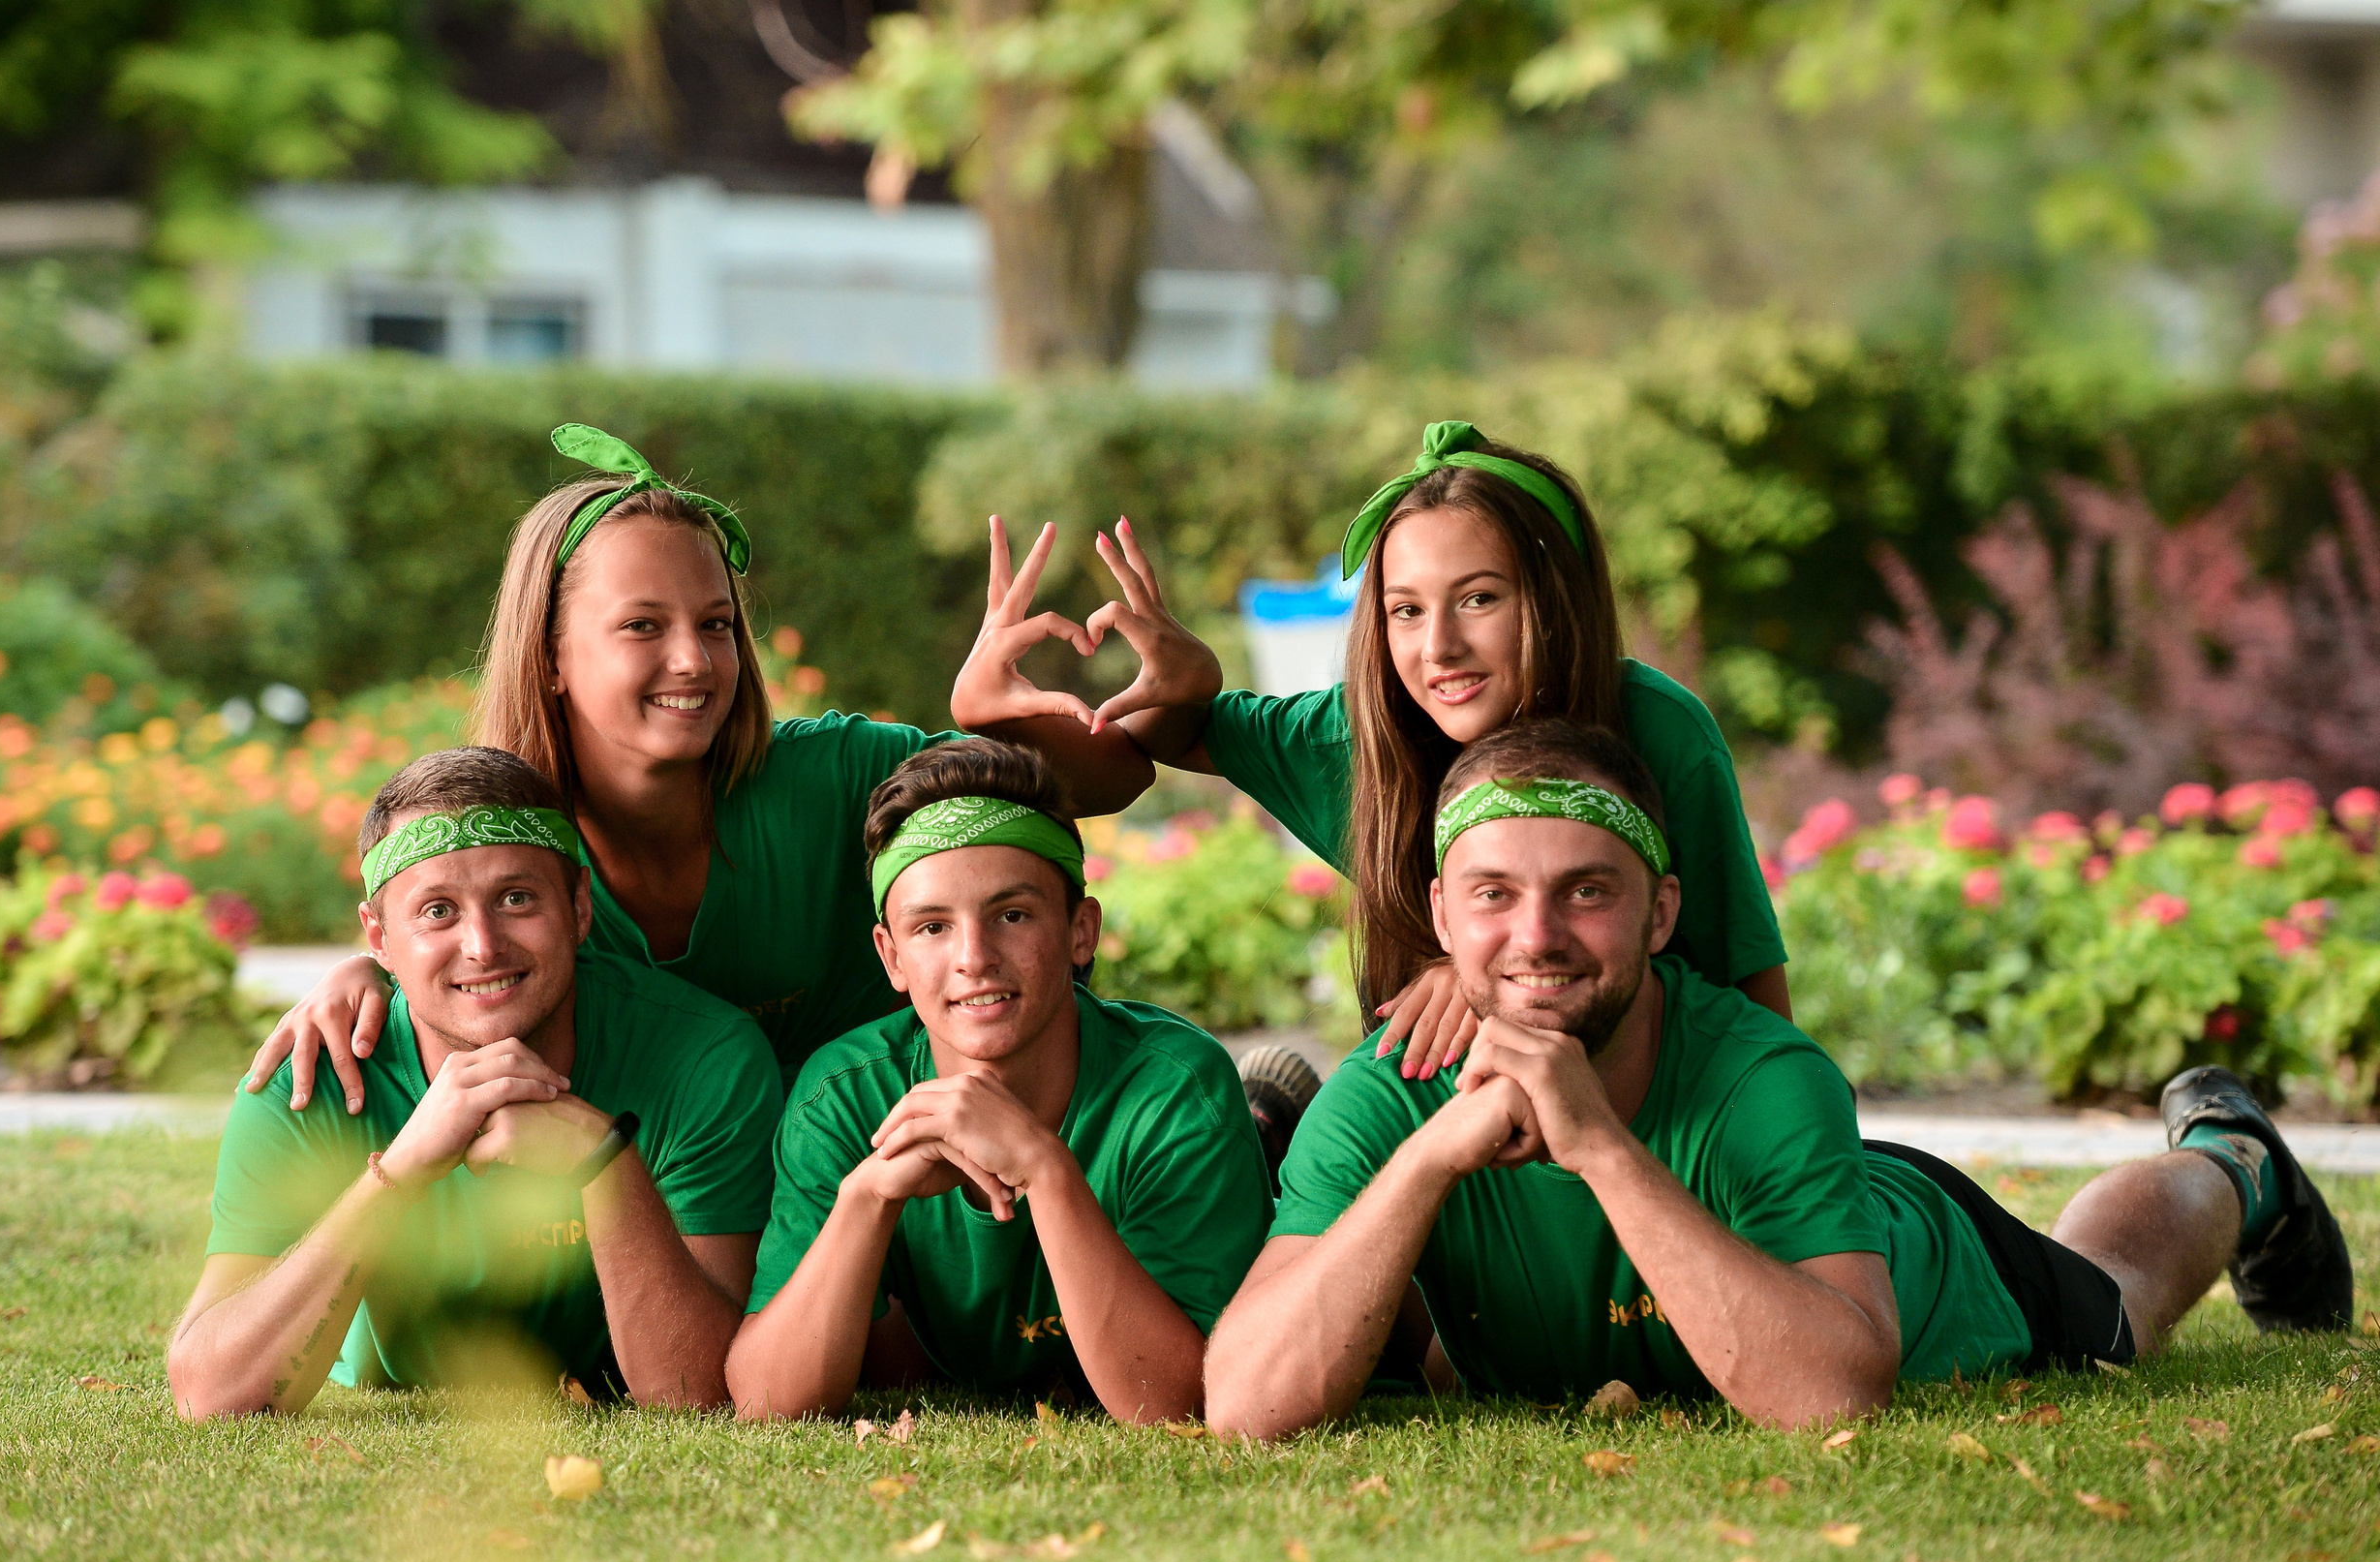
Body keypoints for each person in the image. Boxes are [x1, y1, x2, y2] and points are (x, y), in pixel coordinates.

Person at [1201, 720, 2352, 1438]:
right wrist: (1432, 1156)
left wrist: (1598, 1141)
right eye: (1494, 893)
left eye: (1587, 891)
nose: (1537, 933)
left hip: (1892, 1257)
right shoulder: (1389, 1090)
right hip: (1649, 1267)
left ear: (1661, 911)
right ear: (1441, 915)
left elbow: (1830, 1398)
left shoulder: (1764, 1076)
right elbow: (1246, 1406)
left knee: (2121, 1298)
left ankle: (2232, 1157)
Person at [248, 426, 1154, 1105]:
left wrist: (999, 728)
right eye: (644, 626)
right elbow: (442, 946)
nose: (694, 659)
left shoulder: (835, 774)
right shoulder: (511, 851)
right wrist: (364, 977)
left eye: (716, 623)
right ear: (552, 653)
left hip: (910, 1158)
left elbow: (1104, 787)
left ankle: (1258, 1119)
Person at [952, 422, 1790, 1105]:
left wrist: (1497, 971)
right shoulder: (1369, 735)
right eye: (1405, 610)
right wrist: (997, 712)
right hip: (1432, 1136)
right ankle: (1272, 1129)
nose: (1440, 646)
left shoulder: (1659, 729)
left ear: (1555, 596)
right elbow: (1150, 748)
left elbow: (1750, 999)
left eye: (1479, 598)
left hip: (1639, 1126)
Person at [167, 748, 783, 1418]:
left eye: (516, 898)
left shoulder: (704, 1057)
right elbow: (209, 1393)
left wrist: (604, 1161)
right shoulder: (310, 1075)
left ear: (579, 906)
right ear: (378, 935)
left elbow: (700, 1395)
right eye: (437, 911)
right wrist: (398, 1172)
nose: (483, 944)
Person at [726, 739, 1270, 1424]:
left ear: (1081, 930)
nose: (974, 958)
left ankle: (1268, 1120)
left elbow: (1179, 1405)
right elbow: (765, 1405)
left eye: (1012, 915)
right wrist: (867, 1195)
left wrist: (1047, 1170)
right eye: (931, 927)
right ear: (889, 956)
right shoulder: (841, 1097)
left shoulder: (1174, 1088)